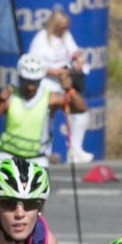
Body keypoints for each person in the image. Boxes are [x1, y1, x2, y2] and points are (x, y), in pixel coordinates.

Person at [0, 54, 86, 168]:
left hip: (37, 159)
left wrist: (69, 90)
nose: (30, 87)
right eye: (26, 81)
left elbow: (81, 108)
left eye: (34, 82)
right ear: (20, 78)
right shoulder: (10, 95)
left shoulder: (50, 99)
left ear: (40, 79)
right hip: (7, 157)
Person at [27, 9, 93, 164]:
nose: (64, 29)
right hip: (47, 83)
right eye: (62, 27)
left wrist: (79, 60)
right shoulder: (41, 39)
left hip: (65, 83)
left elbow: (75, 51)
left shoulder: (66, 36)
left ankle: (75, 150)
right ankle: (43, 151)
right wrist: (55, 72)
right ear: (54, 25)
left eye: (66, 26)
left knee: (80, 112)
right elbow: (34, 63)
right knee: (46, 117)